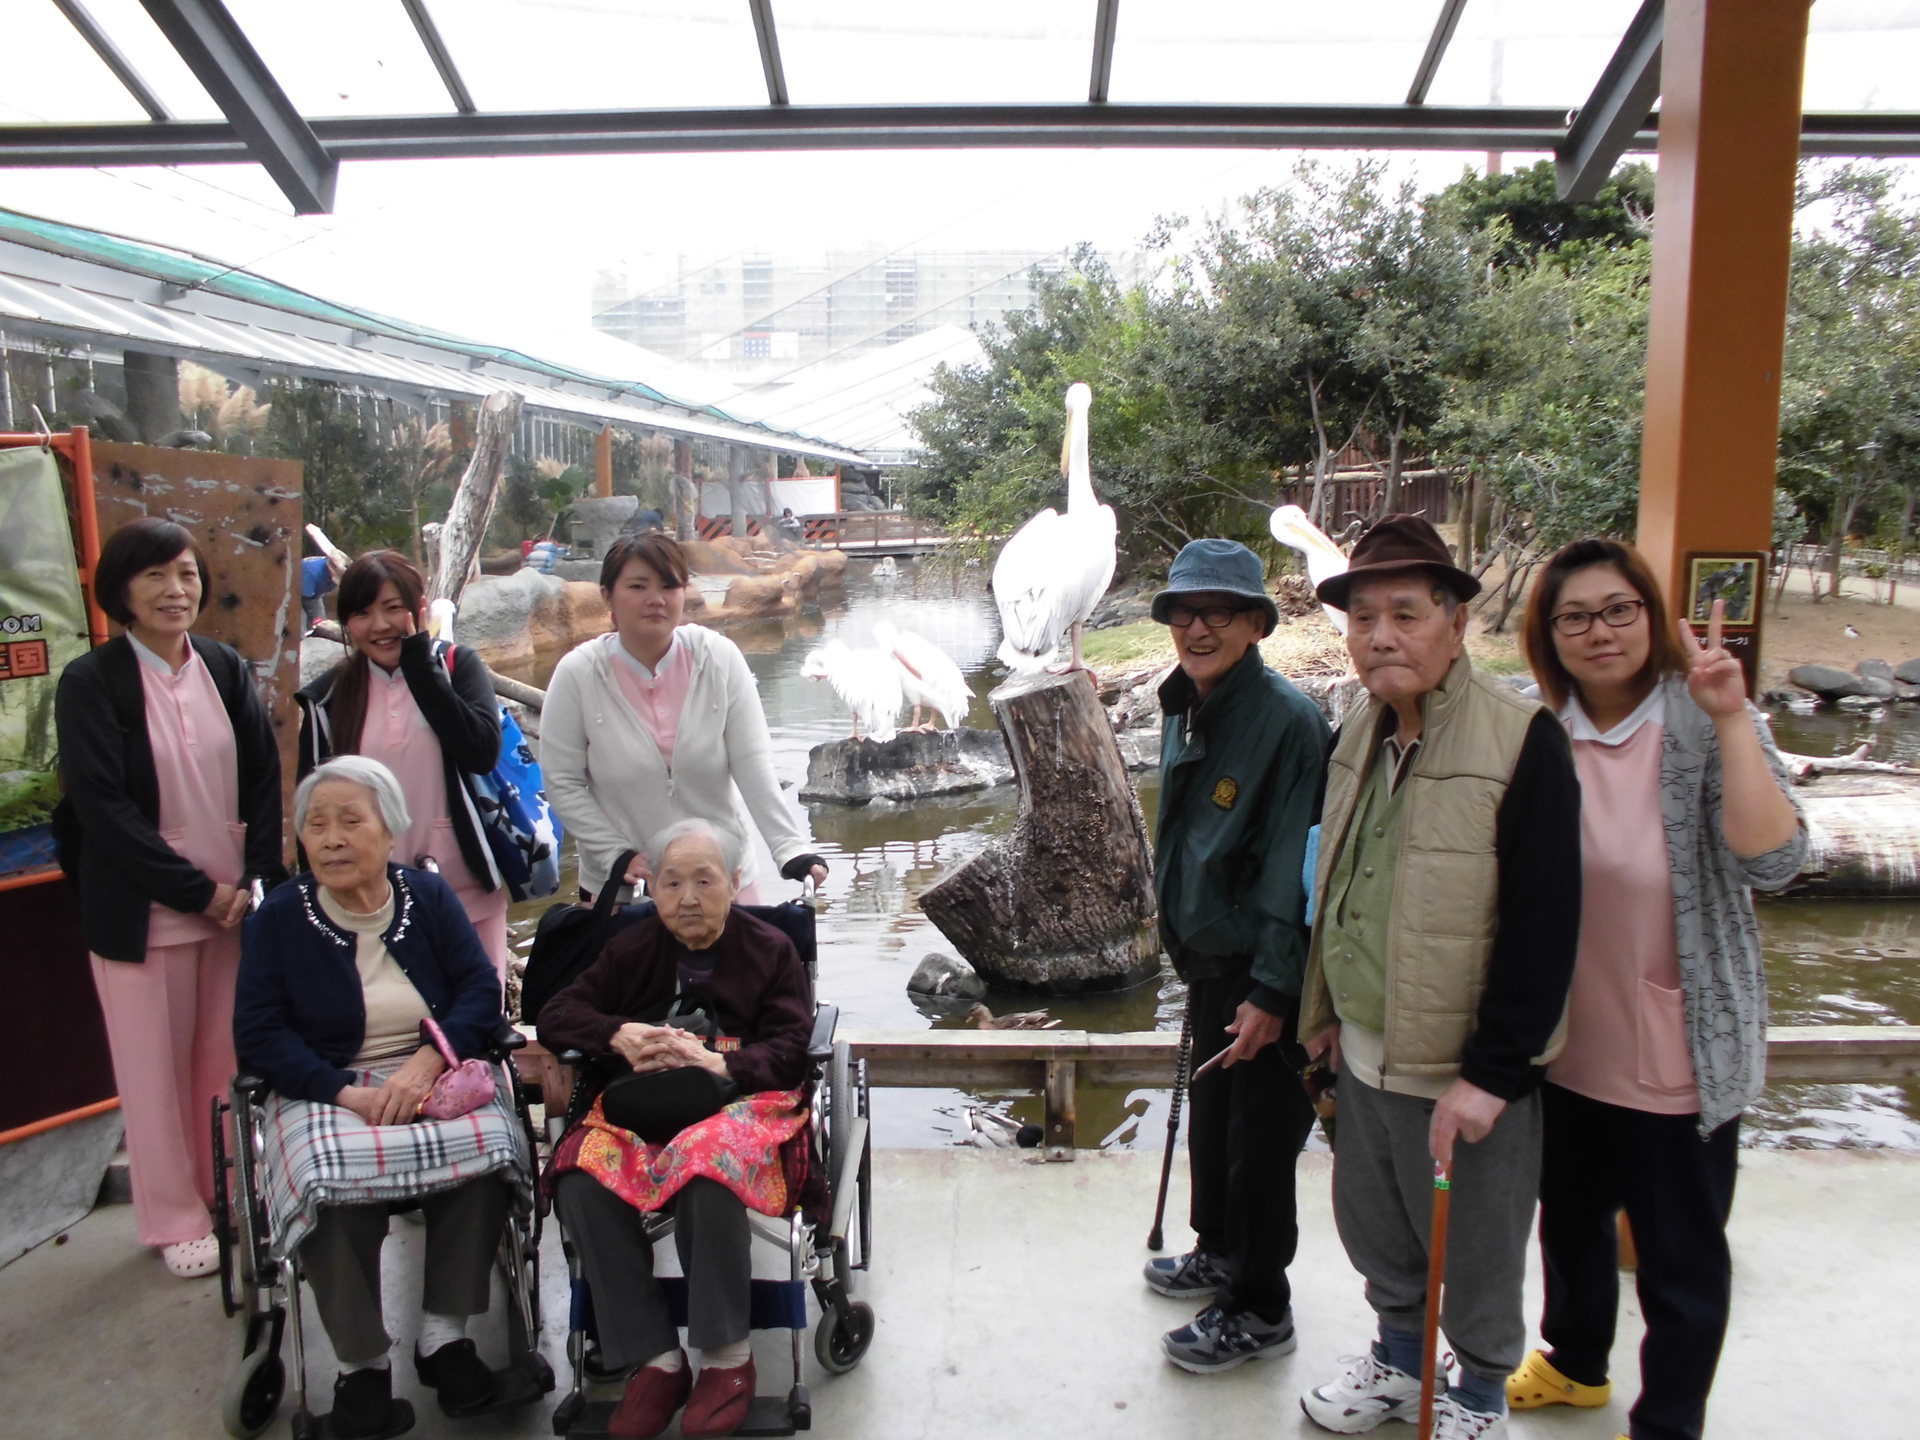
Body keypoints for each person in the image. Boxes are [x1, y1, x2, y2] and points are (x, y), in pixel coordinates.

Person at [1508, 539, 1804, 1440]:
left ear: (1651, 616)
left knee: (1681, 1258)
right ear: (1548, 636)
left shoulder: (1700, 719)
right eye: (1574, 617)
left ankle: (1668, 1422)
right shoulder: (1540, 731)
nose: (1599, 632)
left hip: (1675, 1048)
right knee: (1570, 1223)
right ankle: (1574, 1363)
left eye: (1619, 610)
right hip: (1566, 1047)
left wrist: (1730, 719)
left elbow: (1778, 861)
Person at [1296, 514, 1582, 1440]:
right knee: (1381, 1229)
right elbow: (1338, 882)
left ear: (1456, 624)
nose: (1381, 635)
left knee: (1480, 1249)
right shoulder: (1355, 735)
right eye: (1364, 616)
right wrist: (1328, 1011)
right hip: (1368, 1048)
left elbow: (1546, 926)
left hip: (1462, 1068)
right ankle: (1396, 1359)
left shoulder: (1521, 739)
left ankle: (1478, 1395)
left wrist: (1493, 1076)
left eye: (1407, 614)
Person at [234, 757, 531, 1440]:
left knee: (489, 1145)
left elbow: (479, 992)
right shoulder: (278, 918)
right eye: (317, 824)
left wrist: (430, 1061)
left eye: (350, 820)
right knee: (324, 1176)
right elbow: (259, 1032)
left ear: (390, 829)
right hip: (326, 1084)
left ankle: (443, 1338)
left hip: (428, 1069)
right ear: (302, 840)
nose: (332, 837)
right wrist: (345, 1095)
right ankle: (362, 1365)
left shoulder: (427, 898)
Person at [54, 516, 285, 1279]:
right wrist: (195, 891)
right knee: (151, 1071)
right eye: (154, 575)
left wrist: (250, 881)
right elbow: (100, 808)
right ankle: (173, 1215)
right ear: (121, 589)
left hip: (229, 910)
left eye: (185, 573)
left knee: (220, 1063)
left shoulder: (222, 668)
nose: (174, 589)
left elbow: (261, 778)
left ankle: (228, 1194)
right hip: (145, 914)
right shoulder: (93, 682)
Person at [539, 819, 815, 1440]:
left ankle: (726, 1360)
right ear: (655, 891)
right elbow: (557, 1013)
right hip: (647, 1104)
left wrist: (724, 1062)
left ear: (734, 882)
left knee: (704, 1164)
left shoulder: (769, 949)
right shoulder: (632, 949)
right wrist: (618, 1034)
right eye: (672, 883)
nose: (687, 898)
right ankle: (656, 1361)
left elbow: (795, 1046)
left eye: (703, 880)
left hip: (745, 1103)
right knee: (581, 1175)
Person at [1139, 539, 1331, 1372]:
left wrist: (1272, 989)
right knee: (1215, 1126)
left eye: (1218, 612)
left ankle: (1259, 1305)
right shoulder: (1187, 704)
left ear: (1255, 624)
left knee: (1260, 1145)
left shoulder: (1287, 722)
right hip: (1211, 960)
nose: (1198, 626)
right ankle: (1216, 1250)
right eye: (1185, 611)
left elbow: (1296, 864)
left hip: (1263, 972)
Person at [541, 533, 827, 904]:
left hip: (721, 880)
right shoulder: (578, 673)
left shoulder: (718, 658)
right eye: (638, 586)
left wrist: (790, 849)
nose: (655, 599)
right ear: (607, 596)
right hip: (626, 887)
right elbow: (561, 781)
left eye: (668, 585)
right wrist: (616, 854)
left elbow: (752, 763)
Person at [297, 551, 511, 977]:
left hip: (462, 884)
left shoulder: (456, 667)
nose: (379, 625)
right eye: (362, 613)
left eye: (393, 609)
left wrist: (419, 664)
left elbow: (481, 751)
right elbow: (310, 808)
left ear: (420, 611)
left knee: (476, 1022)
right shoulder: (328, 698)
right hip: (367, 898)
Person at [301, 551, 341, 631]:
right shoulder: (311, 572)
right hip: (301, 592)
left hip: (315, 592)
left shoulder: (338, 569)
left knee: (321, 624)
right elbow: (306, 599)